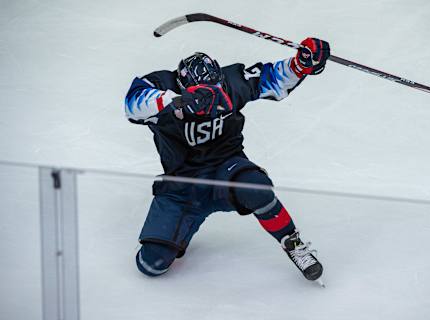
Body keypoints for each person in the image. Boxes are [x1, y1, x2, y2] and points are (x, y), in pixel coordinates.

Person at [124, 38, 330, 281]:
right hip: (182, 184)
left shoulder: (231, 81)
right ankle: (181, 228)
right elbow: (133, 104)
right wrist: (177, 101)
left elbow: (270, 77)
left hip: (227, 169)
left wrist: (300, 64)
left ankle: (292, 242)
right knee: (151, 265)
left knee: (256, 188)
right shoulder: (162, 85)